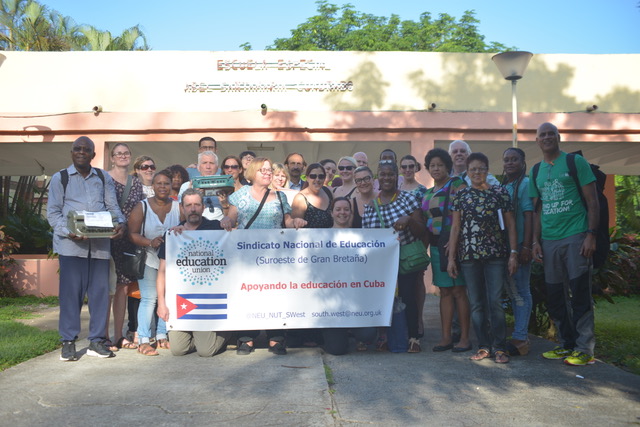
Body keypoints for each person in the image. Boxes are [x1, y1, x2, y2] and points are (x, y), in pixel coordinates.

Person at [46, 136, 126, 361]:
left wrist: (120, 224)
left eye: (86, 150)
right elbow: (52, 213)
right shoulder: (60, 178)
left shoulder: (102, 177)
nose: (81, 152)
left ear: (93, 154)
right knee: (71, 296)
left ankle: (97, 341)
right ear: (72, 153)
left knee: (100, 295)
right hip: (71, 248)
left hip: (100, 247)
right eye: (77, 149)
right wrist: (69, 231)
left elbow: (113, 207)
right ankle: (68, 342)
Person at [220, 157, 307, 355]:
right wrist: (226, 219)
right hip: (246, 257)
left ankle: (275, 338)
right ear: (252, 173)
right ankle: (246, 338)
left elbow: (287, 221)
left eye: (269, 170)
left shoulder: (280, 197)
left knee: (274, 294)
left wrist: (296, 222)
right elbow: (232, 217)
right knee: (247, 294)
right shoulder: (240, 195)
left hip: (274, 257)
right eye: (263, 170)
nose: (267, 173)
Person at [530, 122, 599, 366]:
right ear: (537, 141)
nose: (547, 137)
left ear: (559, 137)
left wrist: (591, 234)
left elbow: (592, 201)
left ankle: (584, 348)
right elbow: (537, 210)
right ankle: (565, 344)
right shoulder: (536, 170)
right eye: (542, 135)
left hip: (576, 236)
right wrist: (536, 241)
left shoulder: (574, 162)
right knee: (556, 295)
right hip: (549, 241)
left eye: (551, 134)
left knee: (580, 292)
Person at [447, 152, 518, 364]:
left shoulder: (499, 193)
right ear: (467, 173)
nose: (477, 173)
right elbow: (456, 227)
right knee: (476, 304)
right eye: (473, 169)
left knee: (495, 302)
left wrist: (513, 253)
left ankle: (499, 347)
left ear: (488, 171)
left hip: (495, 256)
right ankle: (484, 346)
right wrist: (451, 258)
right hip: (469, 257)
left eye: (481, 169)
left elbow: (511, 225)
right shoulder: (461, 196)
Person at [156, 189, 231, 357]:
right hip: (182, 301)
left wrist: (227, 219)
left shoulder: (215, 228)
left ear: (203, 207)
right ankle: (201, 336)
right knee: (178, 350)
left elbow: (233, 237)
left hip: (209, 301)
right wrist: (161, 303)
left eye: (197, 204)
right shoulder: (173, 235)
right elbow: (162, 271)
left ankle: (227, 332)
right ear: (182, 208)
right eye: (188, 205)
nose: (193, 209)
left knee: (206, 351)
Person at [362, 161, 426, 353]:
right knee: (384, 298)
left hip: (405, 258)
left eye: (390, 175)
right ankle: (385, 336)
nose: (387, 178)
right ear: (378, 177)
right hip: (381, 262)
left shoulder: (408, 199)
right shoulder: (371, 205)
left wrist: (409, 220)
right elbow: (367, 236)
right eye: (383, 174)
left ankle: (413, 337)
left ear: (396, 176)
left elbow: (421, 230)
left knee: (408, 296)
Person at [421, 148, 471, 353]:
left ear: (447, 167)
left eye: (439, 165)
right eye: (432, 165)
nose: (435, 168)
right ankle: (445, 337)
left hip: (455, 244)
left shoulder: (457, 184)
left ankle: (466, 338)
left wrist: (456, 241)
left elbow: (466, 214)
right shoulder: (428, 192)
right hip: (436, 245)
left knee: (459, 290)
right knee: (445, 291)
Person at [128, 169, 181, 356]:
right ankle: (143, 338)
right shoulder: (141, 207)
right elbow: (132, 234)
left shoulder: (178, 206)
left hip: (172, 263)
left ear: (171, 185)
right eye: (158, 183)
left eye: (166, 183)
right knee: (149, 298)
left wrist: (181, 228)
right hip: (149, 259)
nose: (163, 186)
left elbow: (190, 226)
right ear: (153, 186)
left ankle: (161, 334)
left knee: (167, 298)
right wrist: (150, 242)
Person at [321, 197, 377, 355]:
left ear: (351, 213)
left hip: (356, 300)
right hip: (331, 303)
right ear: (331, 213)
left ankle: (354, 333)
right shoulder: (320, 237)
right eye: (338, 209)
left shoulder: (361, 236)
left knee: (368, 335)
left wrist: (392, 241)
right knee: (337, 350)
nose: (342, 213)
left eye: (346, 209)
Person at [290, 163, 334, 346]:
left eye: (321, 176)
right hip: (306, 254)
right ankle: (303, 335)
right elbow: (295, 226)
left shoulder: (329, 194)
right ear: (306, 177)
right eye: (313, 176)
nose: (317, 179)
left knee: (323, 294)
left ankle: (320, 333)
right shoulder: (300, 198)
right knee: (306, 294)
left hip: (327, 254)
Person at [107, 143, 145, 350]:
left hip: (127, 239)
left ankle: (118, 335)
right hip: (106, 238)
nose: (122, 156)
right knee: (106, 288)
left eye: (126, 153)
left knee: (122, 287)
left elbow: (141, 209)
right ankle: (102, 335)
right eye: (118, 153)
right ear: (112, 157)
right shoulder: (103, 179)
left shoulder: (136, 182)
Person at [501, 148, 534, 356]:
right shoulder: (506, 185)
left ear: (523, 162)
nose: (510, 163)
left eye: (514, 159)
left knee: (521, 291)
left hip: (520, 244)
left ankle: (521, 338)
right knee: (513, 292)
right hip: (506, 246)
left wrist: (526, 247)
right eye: (506, 160)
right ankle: (518, 334)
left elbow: (529, 216)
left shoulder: (525, 183)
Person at [178, 151, 224, 221]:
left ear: (217, 168)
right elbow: (182, 216)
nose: (208, 167)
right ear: (198, 167)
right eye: (204, 163)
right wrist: (191, 193)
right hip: (195, 225)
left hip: (219, 225)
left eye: (211, 163)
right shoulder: (186, 186)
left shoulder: (223, 184)